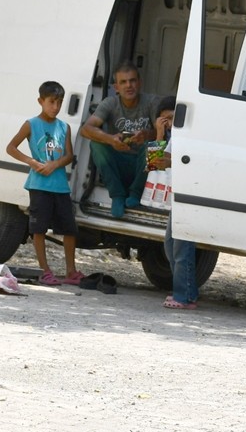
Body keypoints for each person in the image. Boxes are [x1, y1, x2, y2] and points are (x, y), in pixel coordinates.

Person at [5, 81, 83, 286]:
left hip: (60, 186)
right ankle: (45, 270)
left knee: (69, 229)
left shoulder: (63, 127)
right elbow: (11, 147)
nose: (55, 107)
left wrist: (55, 164)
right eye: (51, 102)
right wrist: (31, 162)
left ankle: (71, 270)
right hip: (39, 185)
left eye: (59, 102)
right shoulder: (31, 124)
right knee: (39, 229)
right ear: (41, 101)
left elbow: (68, 155)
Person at [80, 62, 160, 218]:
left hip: (143, 169)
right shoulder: (110, 103)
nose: (129, 85)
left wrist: (147, 134)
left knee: (156, 145)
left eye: (132, 80)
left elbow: (164, 133)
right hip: (119, 165)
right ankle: (117, 196)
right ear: (116, 87)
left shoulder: (152, 102)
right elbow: (86, 129)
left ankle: (136, 193)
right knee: (96, 144)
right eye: (123, 82)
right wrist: (110, 139)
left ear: (140, 83)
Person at [149, 96, 199, 310]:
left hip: (187, 194)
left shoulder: (186, 137)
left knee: (181, 247)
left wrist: (169, 160)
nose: (169, 123)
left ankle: (183, 296)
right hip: (175, 196)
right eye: (164, 119)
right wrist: (159, 134)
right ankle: (188, 291)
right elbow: (153, 165)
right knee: (171, 245)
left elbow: (167, 161)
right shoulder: (168, 138)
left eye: (172, 118)